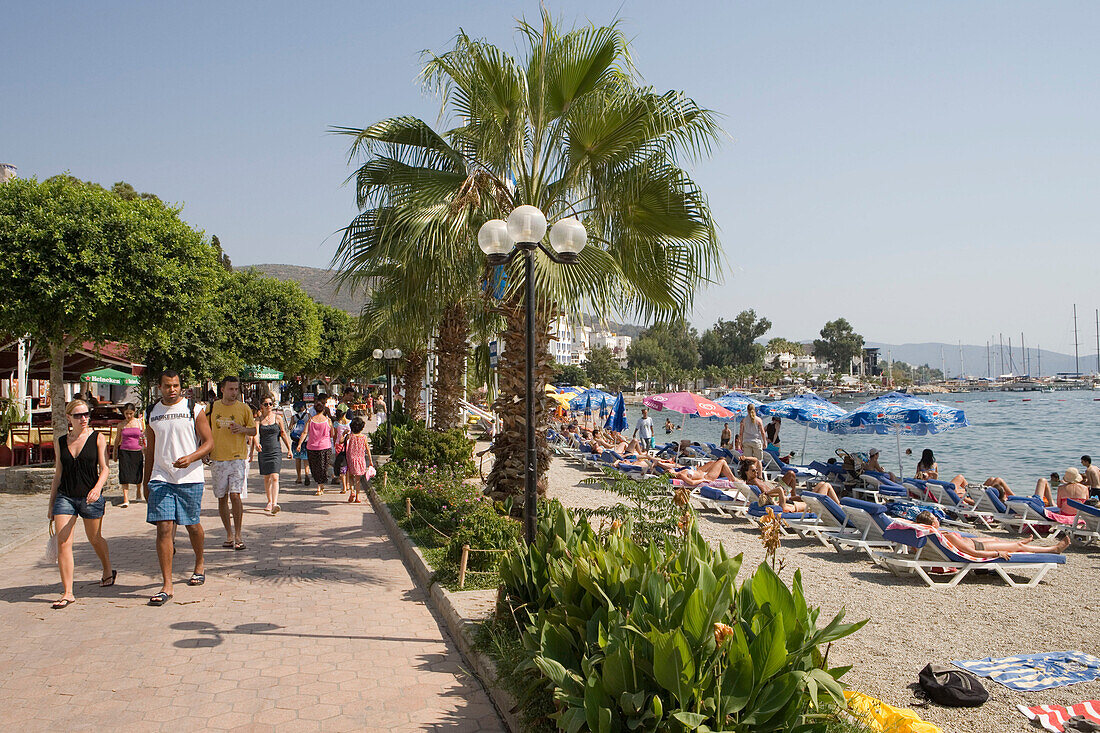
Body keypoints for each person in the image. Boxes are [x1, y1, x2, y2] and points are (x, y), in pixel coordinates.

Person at [143, 370, 214, 606]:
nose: (171, 390)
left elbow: (209, 442)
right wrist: (146, 481)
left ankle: (200, 562)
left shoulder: (194, 409)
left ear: (181, 387)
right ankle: (167, 584)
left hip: (190, 477)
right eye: (167, 386)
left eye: (175, 386)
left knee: (192, 525)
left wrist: (191, 458)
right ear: (159, 387)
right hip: (161, 477)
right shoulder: (152, 412)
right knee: (164, 528)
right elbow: (150, 451)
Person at [46, 399, 114, 609]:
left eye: (86, 414)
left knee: (94, 538)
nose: (83, 418)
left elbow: (105, 468)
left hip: (89, 496)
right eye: (78, 415)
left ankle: (107, 569)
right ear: (69, 418)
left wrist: (97, 489)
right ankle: (68, 592)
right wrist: (51, 504)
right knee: (63, 543)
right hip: (65, 496)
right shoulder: (60, 442)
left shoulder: (97, 438)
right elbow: (58, 474)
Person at [207, 376, 257, 551]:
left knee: (235, 495)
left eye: (236, 389)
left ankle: (238, 534)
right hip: (218, 458)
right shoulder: (212, 408)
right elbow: (204, 431)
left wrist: (243, 429)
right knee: (222, 497)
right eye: (231, 389)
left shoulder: (244, 408)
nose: (234, 392)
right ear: (222, 389)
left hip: (237, 458)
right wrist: (204, 450)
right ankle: (228, 534)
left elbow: (253, 429)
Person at [911, 511, 1070, 558]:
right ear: (932, 524)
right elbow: (973, 553)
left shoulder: (931, 535)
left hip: (972, 542)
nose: (938, 519)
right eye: (935, 518)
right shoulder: (948, 536)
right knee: (1018, 546)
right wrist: (997, 553)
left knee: (995, 537)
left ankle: (1023, 542)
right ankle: (1053, 549)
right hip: (979, 547)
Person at [253, 393, 293, 514]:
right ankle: (269, 501)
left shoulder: (278, 418)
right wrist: (256, 443)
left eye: (270, 404)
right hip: (264, 450)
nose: (269, 406)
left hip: (276, 450)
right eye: (266, 404)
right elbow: (254, 433)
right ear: (262, 406)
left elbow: (283, 434)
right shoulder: (258, 420)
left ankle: (275, 503)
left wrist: (289, 449)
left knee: (275, 477)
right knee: (266, 478)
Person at [296, 395, 335, 495]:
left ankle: (319, 485)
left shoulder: (310, 420)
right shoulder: (328, 421)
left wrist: (299, 444)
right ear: (323, 410)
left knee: (314, 467)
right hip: (325, 447)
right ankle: (320, 485)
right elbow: (332, 434)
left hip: (311, 447)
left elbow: (304, 433)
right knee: (323, 467)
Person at [739, 457, 806, 512]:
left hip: (776, 490)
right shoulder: (752, 482)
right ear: (746, 472)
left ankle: (793, 496)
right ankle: (792, 498)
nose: (756, 472)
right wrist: (780, 493)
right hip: (775, 496)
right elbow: (766, 494)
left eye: (756, 470)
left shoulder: (757, 477)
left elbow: (757, 460)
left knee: (791, 474)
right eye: (753, 470)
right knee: (801, 498)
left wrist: (745, 458)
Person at [112, 403, 145, 506]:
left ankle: (138, 492)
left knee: (138, 472)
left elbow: (143, 436)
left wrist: (144, 447)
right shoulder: (121, 425)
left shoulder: (139, 423)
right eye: (126, 414)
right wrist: (114, 452)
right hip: (124, 451)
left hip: (137, 450)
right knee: (124, 473)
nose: (128, 416)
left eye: (130, 413)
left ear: (134, 412)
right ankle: (125, 498)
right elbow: (117, 439)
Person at [345, 417, 374, 503]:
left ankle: (352, 491)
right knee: (358, 479)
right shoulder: (364, 437)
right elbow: (368, 450)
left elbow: (341, 442)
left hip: (351, 458)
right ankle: (357, 497)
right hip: (360, 459)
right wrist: (370, 461)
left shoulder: (350, 436)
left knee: (350, 476)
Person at [288, 400, 311, 486]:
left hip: (296, 440)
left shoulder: (294, 417)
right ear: (303, 408)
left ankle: (299, 477)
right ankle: (306, 474)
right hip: (305, 439)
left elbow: (290, 427)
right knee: (306, 459)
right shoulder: (308, 416)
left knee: (297, 459)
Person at [333, 408, 352, 493]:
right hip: (348, 445)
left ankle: (344, 486)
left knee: (342, 465)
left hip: (339, 445)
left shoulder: (336, 424)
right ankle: (347, 485)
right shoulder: (350, 422)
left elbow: (334, 436)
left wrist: (334, 444)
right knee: (347, 465)